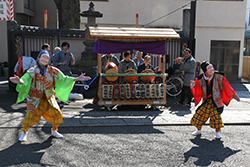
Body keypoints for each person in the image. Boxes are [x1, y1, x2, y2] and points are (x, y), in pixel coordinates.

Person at [9, 52, 91, 142]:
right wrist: (19, 81)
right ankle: (24, 132)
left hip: (49, 98)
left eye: (47, 58)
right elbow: (25, 80)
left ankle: (54, 130)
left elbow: (63, 78)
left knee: (57, 114)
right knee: (30, 116)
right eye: (43, 57)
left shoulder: (53, 70)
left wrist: (76, 79)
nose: (45, 60)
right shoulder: (32, 70)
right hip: (35, 98)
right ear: (38, 58)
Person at [190, 61, 240, 139]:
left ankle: (217, 133)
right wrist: (193, 85)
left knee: (216, 117)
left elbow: (226, 86)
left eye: (212, 67)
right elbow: (196, 86)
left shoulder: (218, 76)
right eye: (209, 68)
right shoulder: (201, 78)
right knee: (199, 115)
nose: (212, 69)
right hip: (206, 101)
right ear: (205, 71)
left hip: (216, 101)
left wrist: (233, 95)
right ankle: (198, 130)